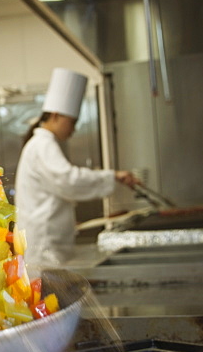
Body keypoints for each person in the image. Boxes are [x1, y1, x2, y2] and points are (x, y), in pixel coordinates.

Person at [15, 68, 139, 266]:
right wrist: (113, 176)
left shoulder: (43, 145)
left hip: (48, 244)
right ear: (55, 116)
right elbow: (68, 181)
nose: (74, 129)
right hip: (44, 248)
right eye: (72, 122)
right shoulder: (43, 145)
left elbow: (58, 189)